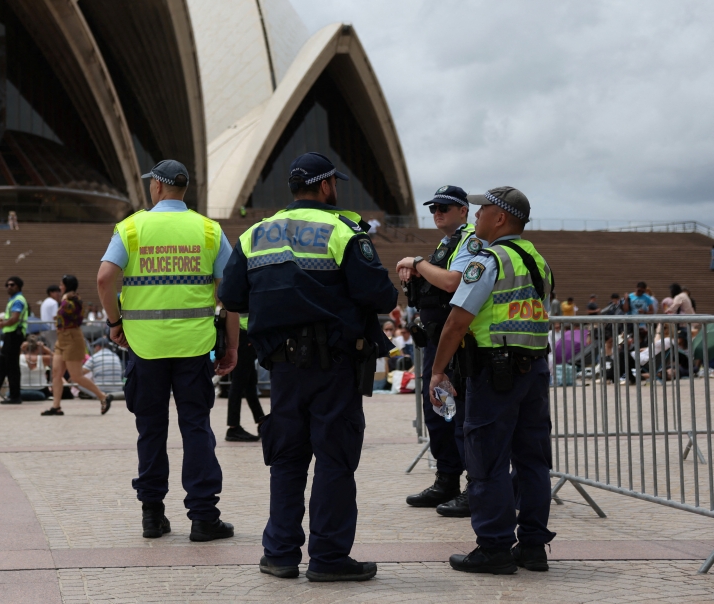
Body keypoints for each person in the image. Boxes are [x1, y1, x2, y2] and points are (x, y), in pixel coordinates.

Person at [218, 151, 397, 583]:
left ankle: (279, 554)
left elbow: (234, 297)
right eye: (334, 182)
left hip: (282, 369)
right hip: (335, 367)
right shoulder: (343, 230)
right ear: (325, 186)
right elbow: (381, 297)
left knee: (287, 459)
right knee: (335, 459)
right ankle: (329, 558)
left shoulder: (255, 234)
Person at [97, 159, 239, 543]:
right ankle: (204, 517)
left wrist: (115, 323)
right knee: (196, 428)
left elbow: (104, 277)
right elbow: (231, 293)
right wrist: (234, 345)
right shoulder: (209, 231)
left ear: (157, 187)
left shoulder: (131, 227)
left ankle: (152, 515)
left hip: (145, 347)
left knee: (151, 429)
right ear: (183, 189)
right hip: (194, 347)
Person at [428, 186, 555, 574]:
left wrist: (437, 370)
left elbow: (457, 321)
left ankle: (494, 547)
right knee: (532, 461)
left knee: (487, 461)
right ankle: (532, 546)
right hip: (533, 369)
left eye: (482, 210)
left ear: (500, 217)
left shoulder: (489, 260)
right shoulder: (536, 259)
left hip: (493, 372)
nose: (477, 216)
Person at [396, 185, 479, 519]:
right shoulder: (447, 242)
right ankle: (447, 479)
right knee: (439, 409)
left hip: (458, 341)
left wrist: (416, 262)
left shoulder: (471, 238)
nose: (437, 212)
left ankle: (476, 486)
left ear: (464, 210)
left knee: (459, 413)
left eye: (445, 207)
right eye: (433, 208)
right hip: (436, 339)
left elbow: (451, 283)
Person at [42, 275, 112, 416]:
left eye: (62, 285)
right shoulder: (66, 298)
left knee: (76, 376)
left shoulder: (74, 299)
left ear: (67, 285)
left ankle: (103, 396)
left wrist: (64, 299)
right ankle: (56, 406)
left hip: (72, 338)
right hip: (61, 338)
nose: (60, 287)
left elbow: (70, 311)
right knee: (56, 373)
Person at [0, 276, 29, 405]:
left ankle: (14, 396)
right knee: (2, 365)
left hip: (14, 334)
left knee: (11, 366)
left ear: (18, 286)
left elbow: (15, 318)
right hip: (11, 335)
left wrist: (3, 324)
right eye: (7, 285)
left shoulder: (18, 300)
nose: (9, 287)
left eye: (12, 285)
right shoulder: (13, 300)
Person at [225, 313, 266, 442]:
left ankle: (261, 421)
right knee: (239, 383)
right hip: (244, 331)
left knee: (249, 384)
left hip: (244, 330)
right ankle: (233, 427)